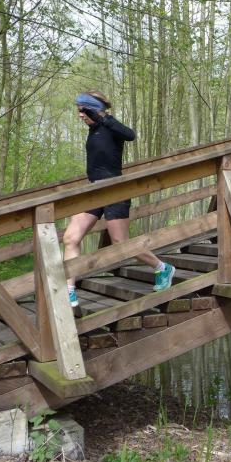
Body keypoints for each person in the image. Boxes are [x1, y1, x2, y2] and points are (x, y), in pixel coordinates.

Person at [63, 91, 175, 310]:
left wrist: (103, 117)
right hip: (94, 191)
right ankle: (69, 290)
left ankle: (162, 268)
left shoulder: (109, 125)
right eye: (78, 111)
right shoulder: (93, 129)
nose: (79, 115)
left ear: (93, 109)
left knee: (120, 243)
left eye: (82, 111)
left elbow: (130, 135)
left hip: (115, 190)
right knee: (70, 238)